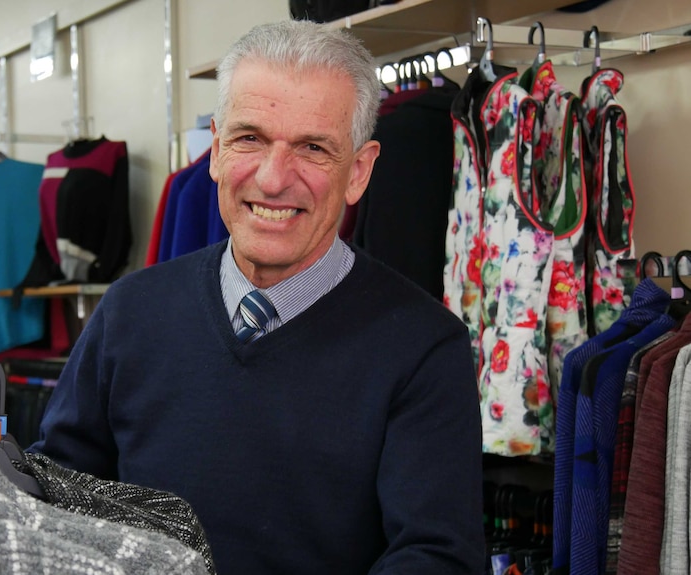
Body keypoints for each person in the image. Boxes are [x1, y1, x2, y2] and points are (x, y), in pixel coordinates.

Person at [28, 19, 484, 574]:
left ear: (359, 172)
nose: (272, 179)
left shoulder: (423, 347)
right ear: (216, 150)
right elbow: (54, 498)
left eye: (313, 148)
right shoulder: (129, 313)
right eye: (250, 139)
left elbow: (437, 558)